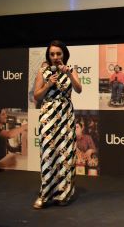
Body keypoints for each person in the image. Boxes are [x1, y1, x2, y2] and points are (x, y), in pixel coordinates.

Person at [32, 40, 83, 209]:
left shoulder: (71, 70)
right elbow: (37, 96)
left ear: (64, 54)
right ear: (48, 55)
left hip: (65, 115)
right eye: (52, 54)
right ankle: (45, 194)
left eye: (58, 53)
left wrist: (68, 74)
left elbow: (79, 89)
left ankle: (63, 193)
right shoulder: (43, 71)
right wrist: (48, 84)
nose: (55, 57)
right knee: (48, 153)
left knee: (65, 154)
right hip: (48, 115)